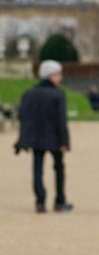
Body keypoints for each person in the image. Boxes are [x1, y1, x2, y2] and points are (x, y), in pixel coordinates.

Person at [14, 59, 72, 213]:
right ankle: (59, 200)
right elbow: (61, 120)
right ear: (51, 76)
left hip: (35, 138)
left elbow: (22, 117)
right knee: (58, 168)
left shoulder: (29, 94)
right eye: (58, 74)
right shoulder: (57, 95)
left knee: (37, 169)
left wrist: (22, 139)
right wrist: (64, 142)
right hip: (54, 138)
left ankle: (40, 201)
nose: (60, 78)